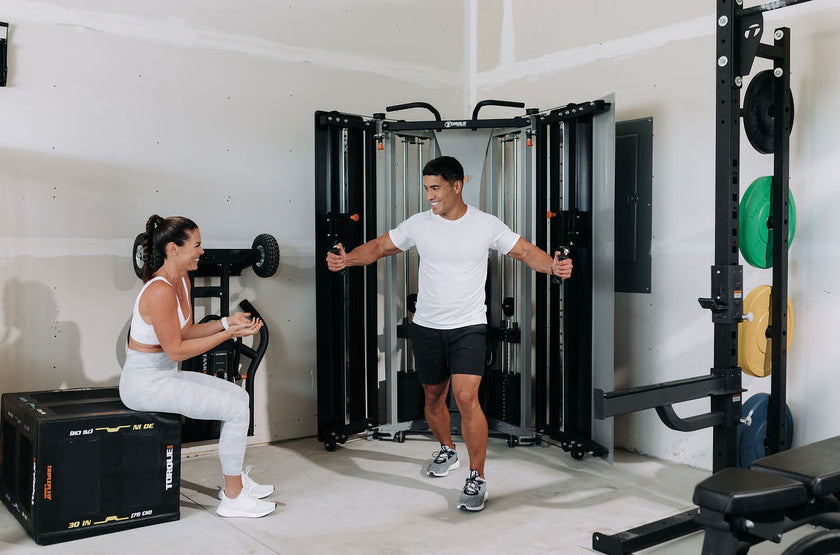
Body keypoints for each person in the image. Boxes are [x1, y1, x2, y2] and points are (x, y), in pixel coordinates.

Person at [326, 156, 572, 512]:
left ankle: (477, 476)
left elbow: (522, 251)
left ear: (458, 186)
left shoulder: (485, 225)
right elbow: (380, 247)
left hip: (469, 327)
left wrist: (552, 265)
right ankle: (447, 449)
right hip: (427, 326)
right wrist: (346, 260)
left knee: (466, 397)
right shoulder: (419, 224)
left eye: (436, 188)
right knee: (432, 397)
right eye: (426, 189)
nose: (430, 196)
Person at [120, 215, 276, 518]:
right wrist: (228, 335)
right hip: (144, 385)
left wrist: (227, 322)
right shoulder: (159, 290)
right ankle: (233, 497)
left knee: (240, 399)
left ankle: (233, 484)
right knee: (233, 409)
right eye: (197, 245)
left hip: (164, 377)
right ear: (173, 249)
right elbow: (177, 350)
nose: (201, 252)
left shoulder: (181, 281)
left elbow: (186, 331)